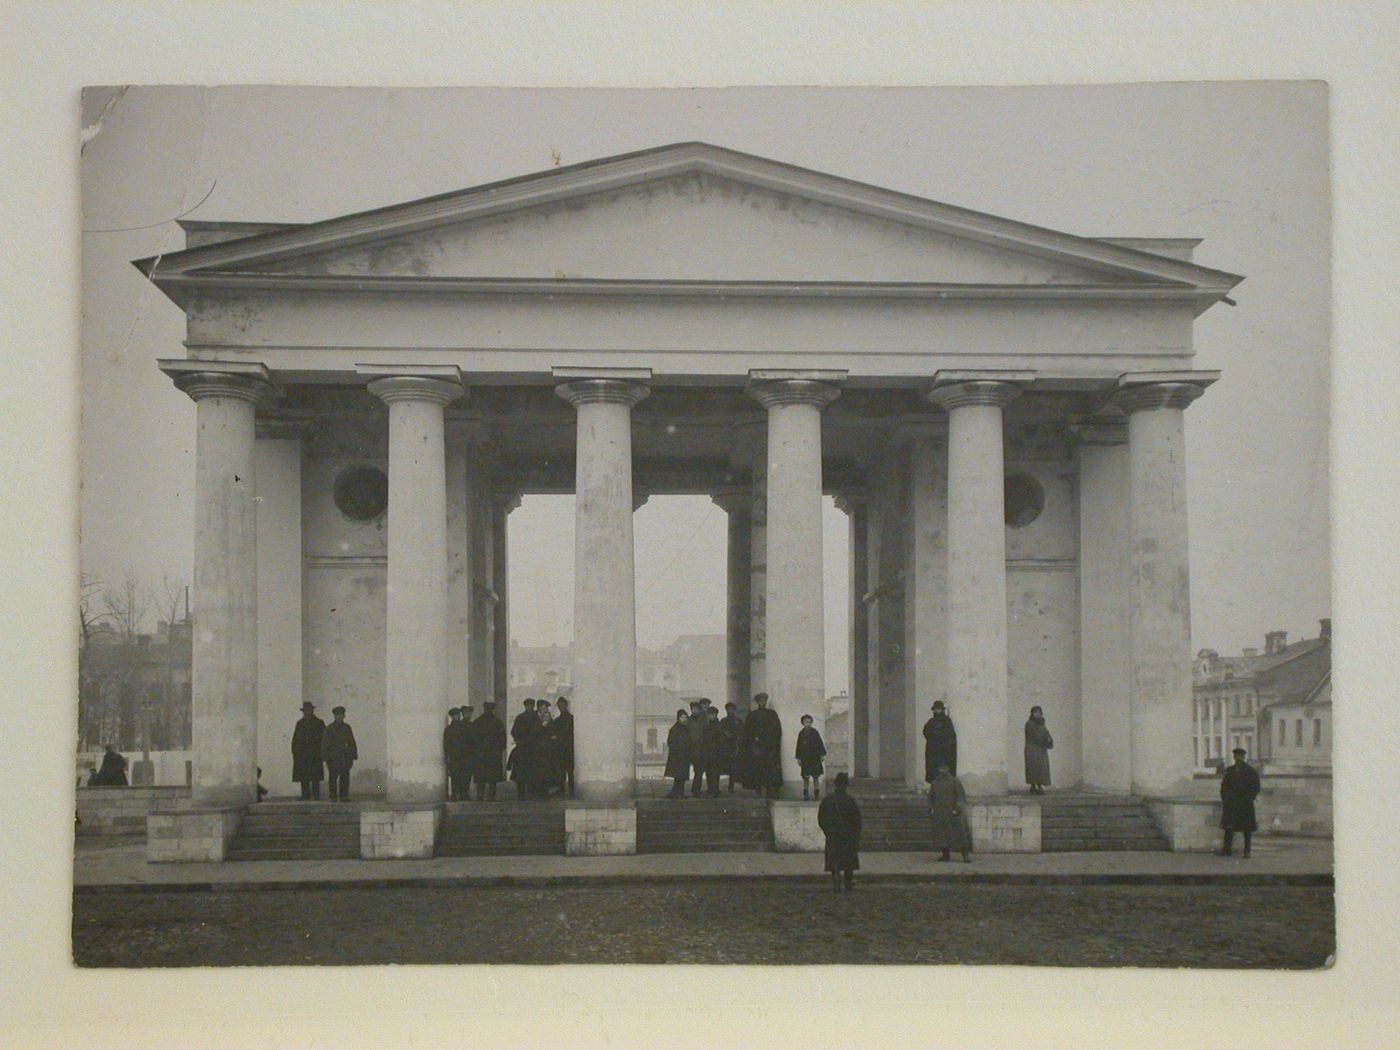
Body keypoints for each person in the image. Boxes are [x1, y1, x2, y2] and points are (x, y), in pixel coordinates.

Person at [817, 772, 862, 892]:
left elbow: (821, 819)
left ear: (835, 784)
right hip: (847, 835)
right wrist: (855, 835)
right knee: (848, 861)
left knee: (834, 859)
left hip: (832, 835)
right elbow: (857, 821)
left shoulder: (827, 800)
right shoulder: (850, 801)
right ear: (846, 785)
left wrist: (828, 831)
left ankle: (836, 879)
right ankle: (848, 882)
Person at [1219, 747, 1262, 858]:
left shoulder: (1251, 771)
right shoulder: (1230, 771)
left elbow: (1256, 787)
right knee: (1229, 828)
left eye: (1240, 756)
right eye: (1236, 756)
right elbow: (1224, 786)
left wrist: (1249, 798)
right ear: (1234, 757)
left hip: (1245, 804)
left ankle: (1247, 852)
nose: (1238, 758)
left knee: (1247, 829)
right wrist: (1225, 798)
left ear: (1244, 757)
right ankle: (1226, 850)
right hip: (1232, 803)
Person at [740, 692, 783, 798]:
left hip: (770, 748)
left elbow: (777, 730)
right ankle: (759, 790)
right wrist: (753, 740)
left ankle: (770, 790)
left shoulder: (772, 714)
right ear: (757, 702)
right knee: (758, 770)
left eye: (764, 701)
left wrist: (774, 743)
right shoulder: (752, 715)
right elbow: (747, 731)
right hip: (757, 748)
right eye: (760, 701)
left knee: (770, 769)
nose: (762, 703)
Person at [927, 763, 972, 862]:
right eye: (940, 769)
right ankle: (945, 855)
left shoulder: (955, 782)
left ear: (948, 769)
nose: (942, 771)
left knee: (960, 834)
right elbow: (931, 797)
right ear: (938, 770)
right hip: (940, 813)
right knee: (942, 835)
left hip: (953, 813)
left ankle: (965, 855)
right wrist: (931, 808)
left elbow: (961, 796)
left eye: (944, 768)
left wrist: (957, 809)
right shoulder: (935, 783)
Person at [321, 706, 358, 802]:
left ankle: (344, 796)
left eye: (341, 715)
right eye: (337, 715)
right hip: (333, 757)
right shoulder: (329, 728)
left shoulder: (347, 728)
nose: (339, 717)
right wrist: (325, 757)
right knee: (333, 777)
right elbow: (325, 743)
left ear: (344, 716)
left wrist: (353, 756)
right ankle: (333, 796)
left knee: (345, 777)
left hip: (345, 757)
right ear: (334, 716)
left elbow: (351, 742)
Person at [291, 701, 326, 800]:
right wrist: (295, 752)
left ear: (312, 711)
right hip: (302, 754)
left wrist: (322, 752)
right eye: (305, 711)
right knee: (303, 776)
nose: (307, 713)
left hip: (315, 753)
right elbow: (295, 739)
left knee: (315, 776)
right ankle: (305, 795)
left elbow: (324, 739)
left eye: (309, 710)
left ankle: (316, 795)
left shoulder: (319, 723)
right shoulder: (300, 724)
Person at [472, 702, 507, 801]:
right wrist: (499, 749)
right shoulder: (497, 722)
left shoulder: (478, 721)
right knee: (491, 776)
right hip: (491, 753)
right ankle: (490, 795)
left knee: (482, 775)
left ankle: (481, 794)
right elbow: (502, 738)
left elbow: (473, 737)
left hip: (483, 753)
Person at [510, 698, 540, 801]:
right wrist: (519, 740)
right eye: (528, 705)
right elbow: (514, 731)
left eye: (531, 705)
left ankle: (528, 793)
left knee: (527, 772)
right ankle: (522, 793)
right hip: (527, 748)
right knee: (523, 773)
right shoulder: (530, 718)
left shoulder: (534, 717)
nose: (530, 707)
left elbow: (514, 731)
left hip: (530, 748)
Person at [922, 700, 958, 782]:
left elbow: (950, 735)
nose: (937, 711)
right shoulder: (931, 721)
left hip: (944, 751)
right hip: (932, 751)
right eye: (935, 709)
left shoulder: (946, 721)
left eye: (938, 709)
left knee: (943, 770)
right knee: (933, 771)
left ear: (942, 710)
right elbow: (926, 732)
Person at [443, 707, 472, 801]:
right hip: (457, 755)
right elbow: (447, 743)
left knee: (462, 775)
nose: (457, 716)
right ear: (452, 716)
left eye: (458, 714)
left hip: (460, 755)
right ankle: (457, 794)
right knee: (458, 775)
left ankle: (461, 794)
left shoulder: (457, 728)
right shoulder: (451, 729)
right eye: (456, 715)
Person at [795, 714, 827, 801]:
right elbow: (798, 746)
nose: (807, 724)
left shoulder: (815, 732)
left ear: (811, 722)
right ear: (802, 723)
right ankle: (805, 794)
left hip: (815, 758)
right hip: (805, 758)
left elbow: (820, 743)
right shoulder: (801, 734)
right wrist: (799, 758)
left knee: (816, 776)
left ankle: (816, 794)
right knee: (806, 777)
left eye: (809, 722)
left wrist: (822, 754)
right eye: (805, 722)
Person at [1024, 705, 1054, 795]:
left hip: (1041, 751)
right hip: (1032, 750)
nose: (1037, 714)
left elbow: (1046, 734)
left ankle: (1039, 786)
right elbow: (1034, 736)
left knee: (1041, 768)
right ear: (1032, 714)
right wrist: (1044, 741)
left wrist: (1049, 740)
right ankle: (1034, 786)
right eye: (1035, 712)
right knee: (1033, 768)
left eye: (1039, 712)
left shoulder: (1042, 724)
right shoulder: (1029, 724)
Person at [663, 709, 691, 798]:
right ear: (678, 718)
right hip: (677, 756)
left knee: (681, 777)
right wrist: (678, 752)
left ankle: (678, 793)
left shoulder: (686, 729)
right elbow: (671, 742)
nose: (684, 719)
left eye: (685, 717)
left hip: (685, 756)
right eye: (682, 717)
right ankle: (678, 793)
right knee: (678, 776)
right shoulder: (674, 729)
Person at [698, 706, 725, 797]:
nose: (711, 716)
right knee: (709, 772)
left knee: (714, 772)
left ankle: (714, 790)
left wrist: (716, 748)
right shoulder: (706, 725)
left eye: (713, 714)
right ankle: (711, 789)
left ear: (716, 715)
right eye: (709, 714)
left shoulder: (718, 725)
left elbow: (721, 740)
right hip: (707, 752)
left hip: (715, 752)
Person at [719, 702, 744, 793]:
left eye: (732, 709)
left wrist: (736, 737)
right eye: (728, 709)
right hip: (724, 747)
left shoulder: (738, 721)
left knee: (733, 767)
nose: (730, 711)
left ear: (734, 710)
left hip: (734, 747)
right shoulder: (723, 721)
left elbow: (742, 733)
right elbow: (720, 732)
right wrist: (725, 733)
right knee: (721, 767)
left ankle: (731, 786)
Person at [555, 697, 576, 798]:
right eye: (559, 706)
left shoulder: (572, 719)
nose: (561, 708)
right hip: (561, 749)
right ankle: (562, 789)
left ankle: (571, 790)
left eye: (562, 705)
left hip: (569, 748)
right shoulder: (558, 721)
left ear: (566, 706)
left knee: (570, 771)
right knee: (562, 770)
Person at [687, 699, 707, 798]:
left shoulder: (704, 720)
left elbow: (706, 734)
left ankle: (696, 790)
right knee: (695, 771)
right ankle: (691, 790)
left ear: (699, 710)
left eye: (696, 709)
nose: (694, 711)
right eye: (692, 709)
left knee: (699, 771)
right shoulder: (688, 721)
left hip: (701, 749)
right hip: (691, 749)